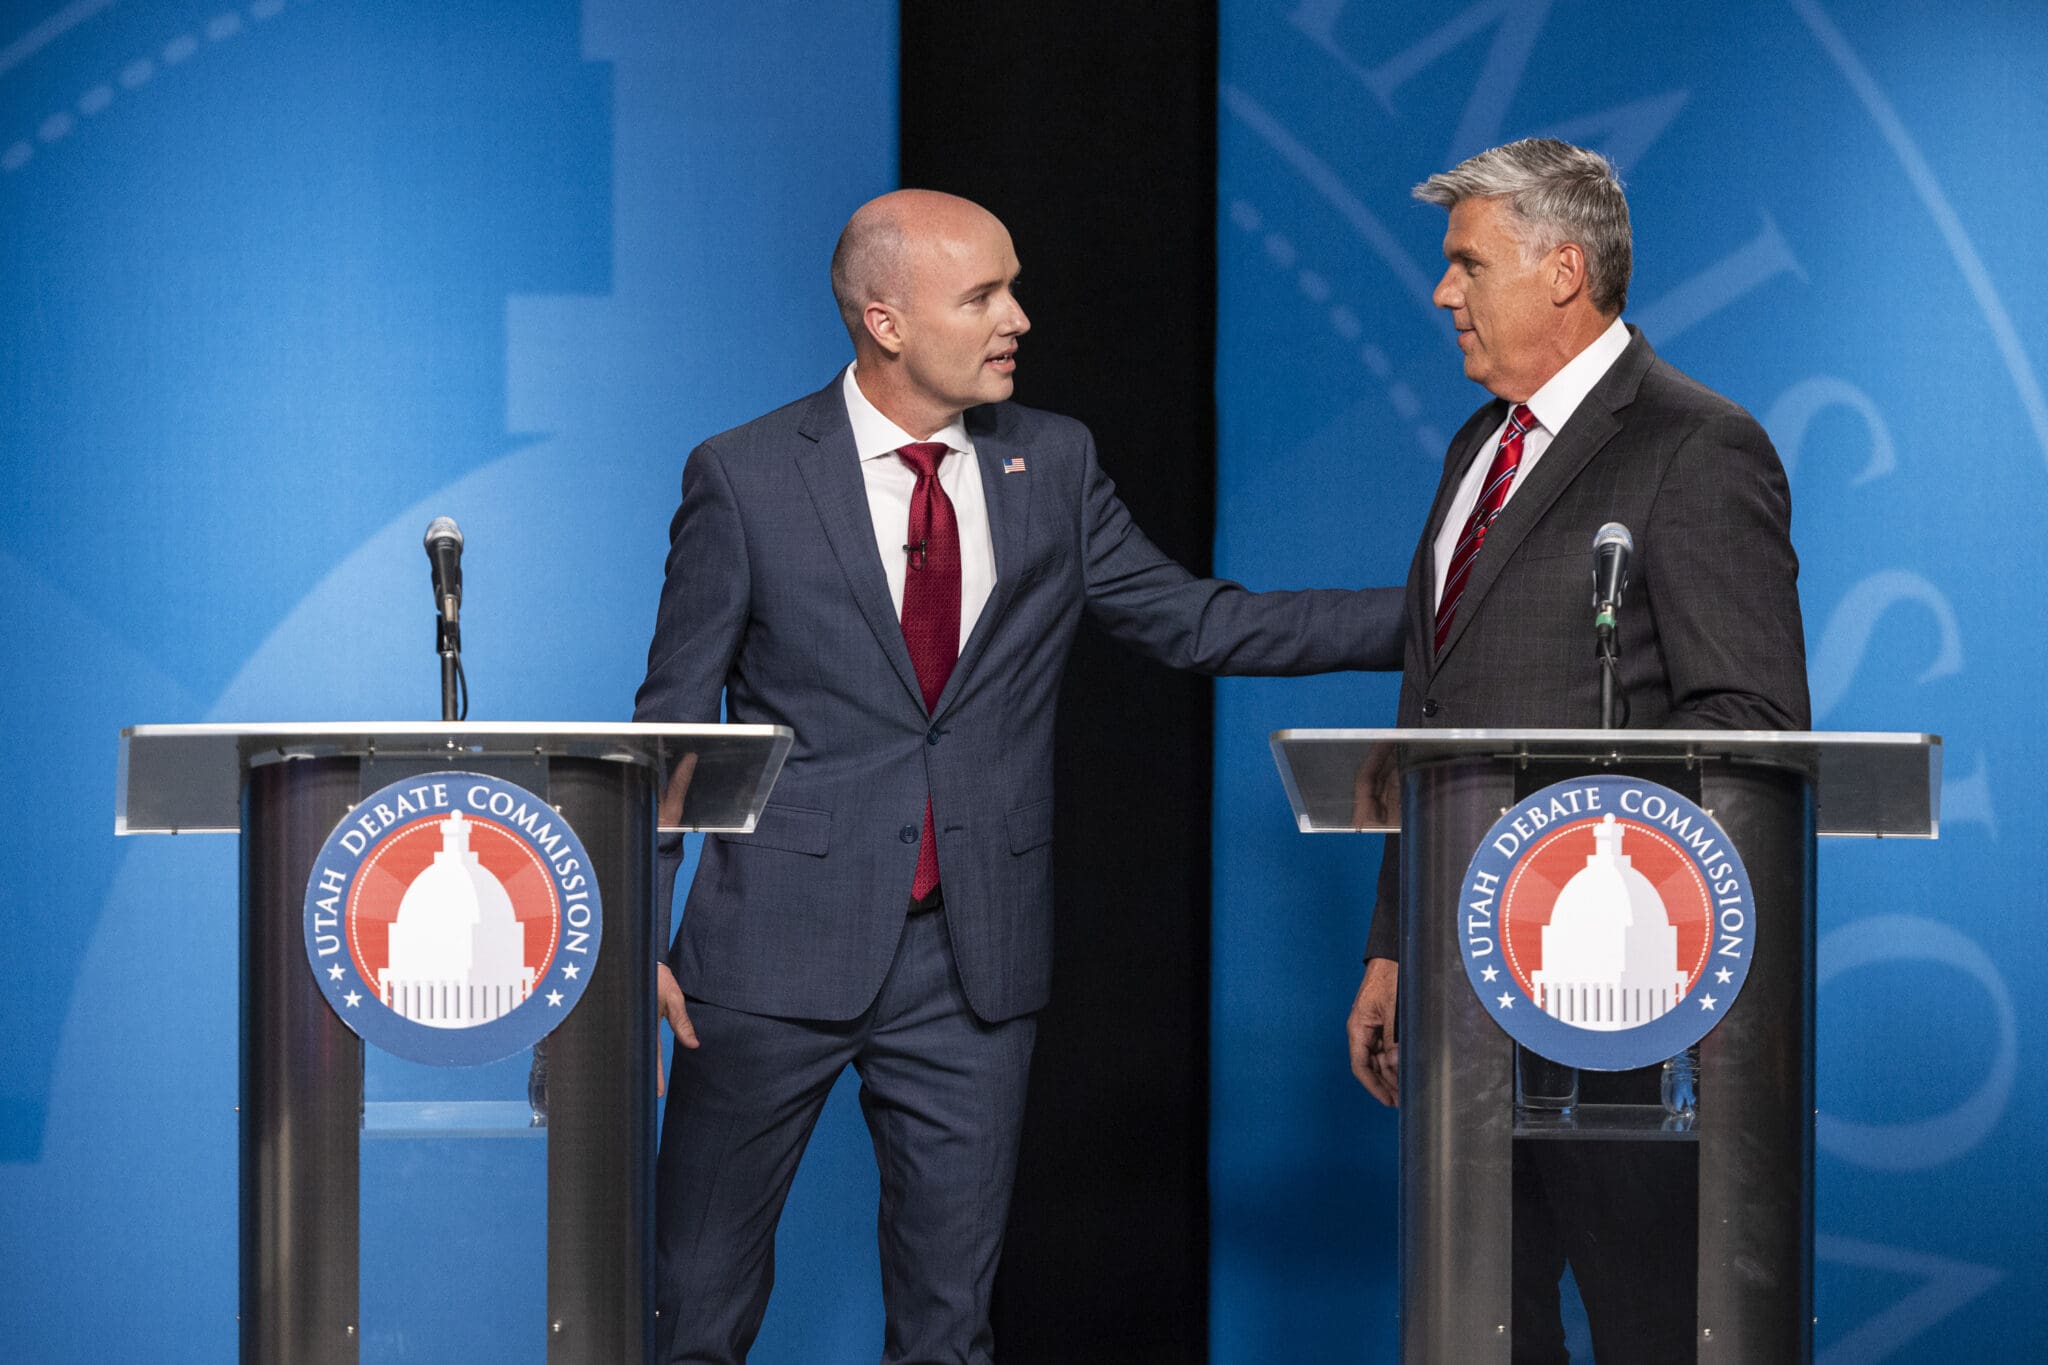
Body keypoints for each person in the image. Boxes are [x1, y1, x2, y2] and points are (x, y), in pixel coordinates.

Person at [633, 188, 1403, 1364]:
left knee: (948, 1332)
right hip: (760, 960)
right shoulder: (743, 477)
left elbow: (1194, 624)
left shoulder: (1051, 461)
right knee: (695, 1314)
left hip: (972, 966)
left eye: (1012, 287)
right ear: (885, 322)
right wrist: (634, 929)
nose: (1019, 319)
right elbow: (676, 720)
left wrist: (1440, 614)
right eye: (982, 294)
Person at [1341, 139, 1810, 1360]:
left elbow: (1749, 721)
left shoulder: (1693, 446)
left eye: (1464, 265)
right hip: (1459, 979)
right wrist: (1393, 944)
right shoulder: (1475, 448)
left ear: (1561, 271)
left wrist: (1577, 848)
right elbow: (1428, 714)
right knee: (1486, 1322)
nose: (1442, 293)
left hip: (1613, 988)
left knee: (1646, 1319)